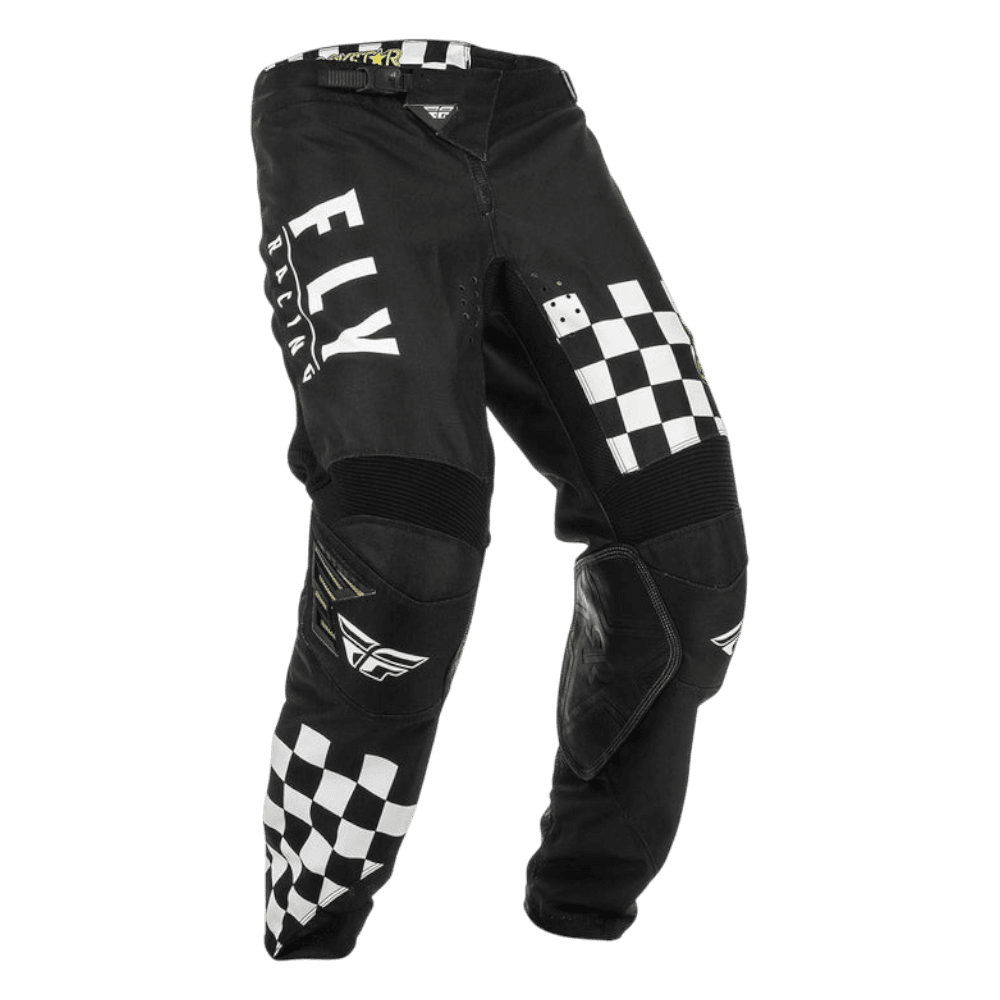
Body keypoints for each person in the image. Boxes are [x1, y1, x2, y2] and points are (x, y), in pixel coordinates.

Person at [250, 38, 748, 962]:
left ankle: (580, 915)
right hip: (343, 111)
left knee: (691, 563)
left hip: (529, 115)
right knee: (400, 565)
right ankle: (308, 936)